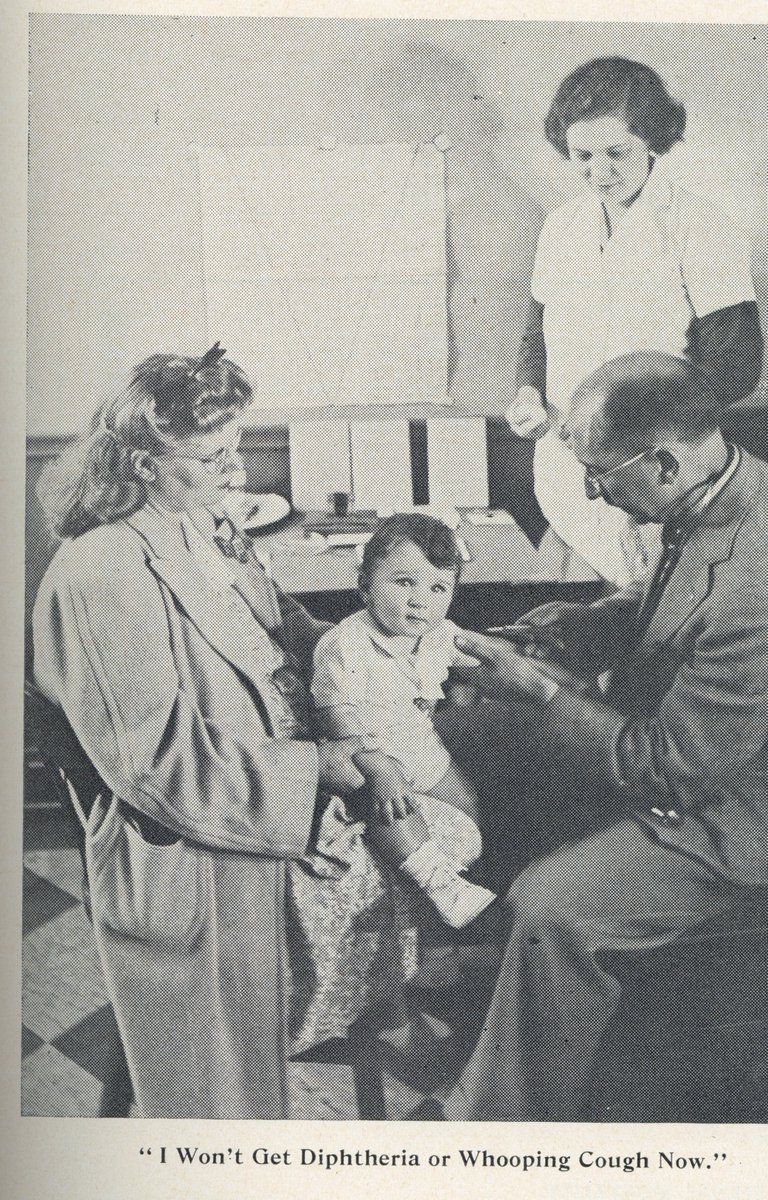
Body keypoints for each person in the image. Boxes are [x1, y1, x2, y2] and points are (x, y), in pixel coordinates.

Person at [31, 344, 421, 1117]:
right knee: (437, 857)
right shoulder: (103, 571)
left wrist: (370, 657)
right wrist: (321, 768)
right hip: (195, 846)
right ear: (142, 464)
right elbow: (158, 770)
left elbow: (282, 625)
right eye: (212, 456)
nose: (236, 471)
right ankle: (402, 1025)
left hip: (258, 800)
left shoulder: (200, 522)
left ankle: (406, 1014)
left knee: (442, 797)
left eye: (237, 447)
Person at [416, 350, 768, 1121]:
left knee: (554, 906)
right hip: (684, 752)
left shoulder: (756, 584)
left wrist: (541, 691)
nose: (589, 492)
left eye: (601, 474)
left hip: (734, 812)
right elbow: (663, 600)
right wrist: (571, 632)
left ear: (666, 463)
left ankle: (501, 1124)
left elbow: (671, 768)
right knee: (462, 735)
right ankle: (483, 970)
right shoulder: (723, 488)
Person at [508, 56, 763, 585]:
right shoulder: (560, 227)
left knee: (657, 610)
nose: (599, 171)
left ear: (652, 139)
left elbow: (737, 361)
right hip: (565, 461)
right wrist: (528, 394)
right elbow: (538, 334)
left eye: (615, 153)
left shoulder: (698, 223)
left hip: (658, 472)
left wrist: (648, 426)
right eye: (582, 156)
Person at [311, 513, 496, 929]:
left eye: (437, 588)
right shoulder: (344, 645)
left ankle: (460, 881)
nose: (420, 600)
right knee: (389, 812)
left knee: (466, 800)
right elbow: (334, 714)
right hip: (369, 756)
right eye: (403, 582)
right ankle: (436, 883)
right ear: (364, 585)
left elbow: (479, 661)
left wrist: (514, 664)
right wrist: (377, 764)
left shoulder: (437, 634)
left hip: (423, 749)